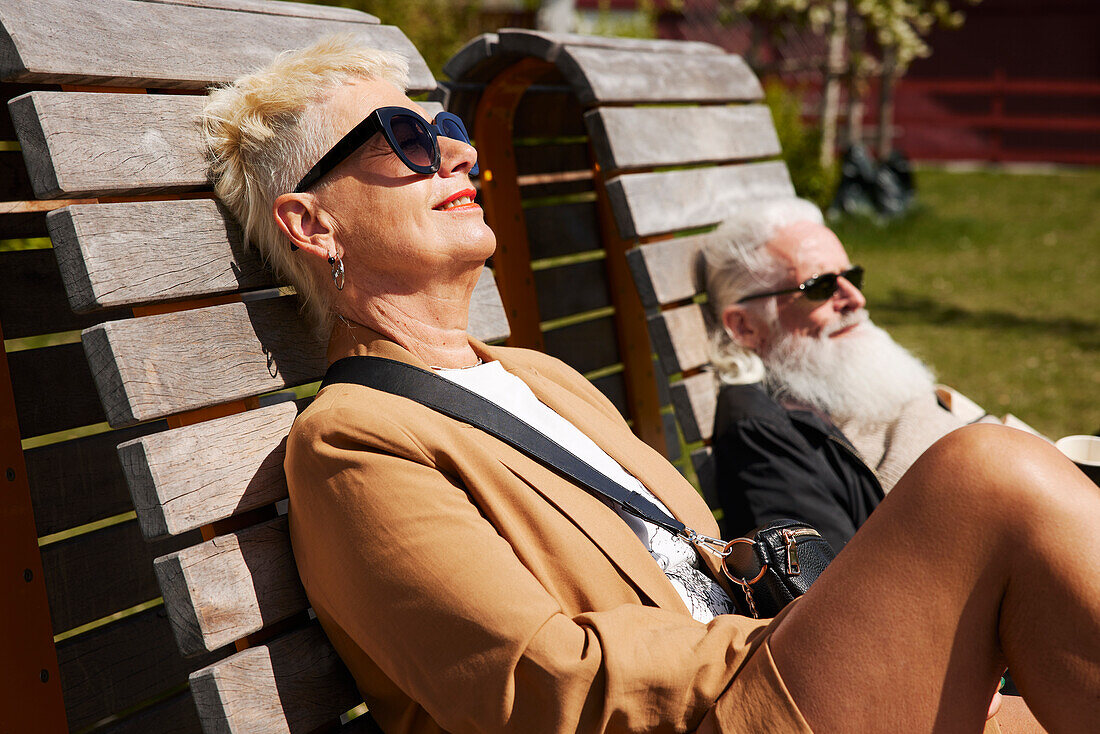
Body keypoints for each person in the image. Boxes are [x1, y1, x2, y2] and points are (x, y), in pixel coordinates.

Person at [202, 35, 1098, 734]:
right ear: (312, 224)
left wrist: (861, 641)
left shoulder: (537, 377)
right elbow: (534, 682)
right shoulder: (353, 442)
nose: (454, 156)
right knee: (988, 475)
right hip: (718, 711)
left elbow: (694, 561)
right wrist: (824, 643)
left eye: (450, 132)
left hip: (766, 686)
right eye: (402, 139)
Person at [703, 198, 990, 550]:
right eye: (821, 287)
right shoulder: (762, 433)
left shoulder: (841, 383)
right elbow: (826, 584)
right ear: (745, 326)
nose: (856, 299)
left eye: (851, 277)